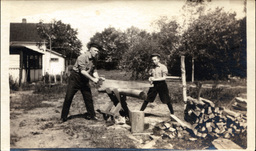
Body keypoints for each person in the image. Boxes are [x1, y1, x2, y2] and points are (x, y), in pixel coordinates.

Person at [61, 43, 104, 122]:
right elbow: (83, 71)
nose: (97, 52)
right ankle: (63, 117)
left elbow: (94, 70)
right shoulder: (82, 57)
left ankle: (92, 115)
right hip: (75, 79)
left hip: (84, 80)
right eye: (95, 50)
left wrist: (97, 78)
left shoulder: (94, 59)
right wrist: (93, 79)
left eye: (98, 51)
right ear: (90, 50)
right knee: (68, 97)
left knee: (88, 98)